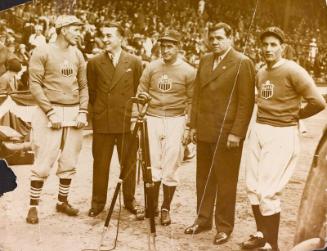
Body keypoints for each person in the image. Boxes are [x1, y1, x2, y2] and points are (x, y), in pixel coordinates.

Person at [241, 27, 326, 251]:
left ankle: (272, 244)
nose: (268, 49)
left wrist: (294, 115)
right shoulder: (261, 72)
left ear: (282, 47)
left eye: (273, 45)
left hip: (281, 133)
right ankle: (262, 235)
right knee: (252, 187)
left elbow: (318, 101)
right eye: (265, 44)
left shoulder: (293, 70)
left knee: (268, 191)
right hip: (259, 129)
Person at [184, 22, 255, 245]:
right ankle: (202, 219)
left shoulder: (242, 62)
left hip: (227, 134)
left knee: (225, 181)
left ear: (231, 38)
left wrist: (237, 133)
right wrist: (193, 125)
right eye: (212, 38)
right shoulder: (205, 60)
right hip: (205, 129)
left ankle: (224, 226)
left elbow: (246, 102)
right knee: (203, 179)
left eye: (219, 38)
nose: (215, 42)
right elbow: (197, 96)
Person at [26, 15, 88, 224]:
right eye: (75, 28)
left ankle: (62, 201)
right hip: (48, 110)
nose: (79, 33)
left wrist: (83, 111)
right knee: (43, 160)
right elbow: (34, 84)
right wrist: (49, 111)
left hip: (72, 110)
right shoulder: (42, 51)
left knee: (69, 160)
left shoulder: (77, 54)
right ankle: (33, 206)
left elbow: (83, 85)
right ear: (62, 29)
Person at [133, 29, 195, 225]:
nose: (165, 50)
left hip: (176, 120)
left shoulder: (188, 70)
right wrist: (139, 112)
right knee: (152, 164)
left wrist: (188, 127)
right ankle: (151, 205)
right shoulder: (151, 67)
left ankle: (165, 207)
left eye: (170, 46)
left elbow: (193, 101)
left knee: (171, 165)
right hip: (153, 118)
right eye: (163, 46)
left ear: (178, 47)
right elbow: (140, 91)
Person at [87, 23, 144, 219]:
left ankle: (129, 200)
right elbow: (92, 92)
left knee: (128, 163)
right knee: (100, 164)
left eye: (110, 35)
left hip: (126, 121)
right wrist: (99, 114)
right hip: (103, 120)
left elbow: (138, 90)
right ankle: (98, 202)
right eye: (104, 35)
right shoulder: (94, 62)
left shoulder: (135, 62)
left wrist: (134, 117)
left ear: (121, 39)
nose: (106, 39)